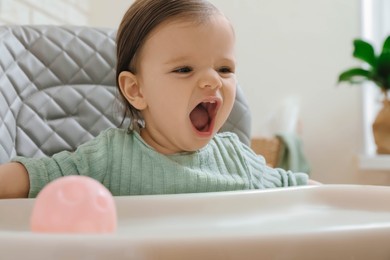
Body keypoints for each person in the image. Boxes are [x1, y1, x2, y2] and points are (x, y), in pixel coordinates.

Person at [0, 0, 315, 199]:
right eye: (184, 69)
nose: (213, 80)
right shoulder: (108, 158)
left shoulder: (239, 160)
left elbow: (304, 192)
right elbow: (37, 176)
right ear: (137, 90)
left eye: (224, 68)